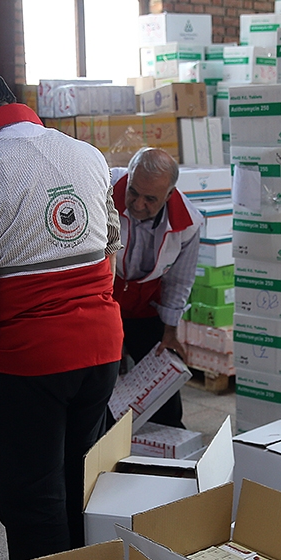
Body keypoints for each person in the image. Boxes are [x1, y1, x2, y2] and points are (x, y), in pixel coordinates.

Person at [0, 65, 123, 560]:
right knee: (83, 478)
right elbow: (111, 247)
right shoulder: (88, 155)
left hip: (28, 363)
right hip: (101, 351)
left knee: (31, 497)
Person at [110, 147, 202, 428]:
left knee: (163, 386)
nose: (138, 205)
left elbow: (179, 280)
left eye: (150, 199)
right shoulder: (104, 188)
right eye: (133, 193)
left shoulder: (188, 223)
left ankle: (170, 439)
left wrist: (170, 332)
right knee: (97, 380)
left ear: (169, 195)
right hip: (103, 299)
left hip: (144, 305)